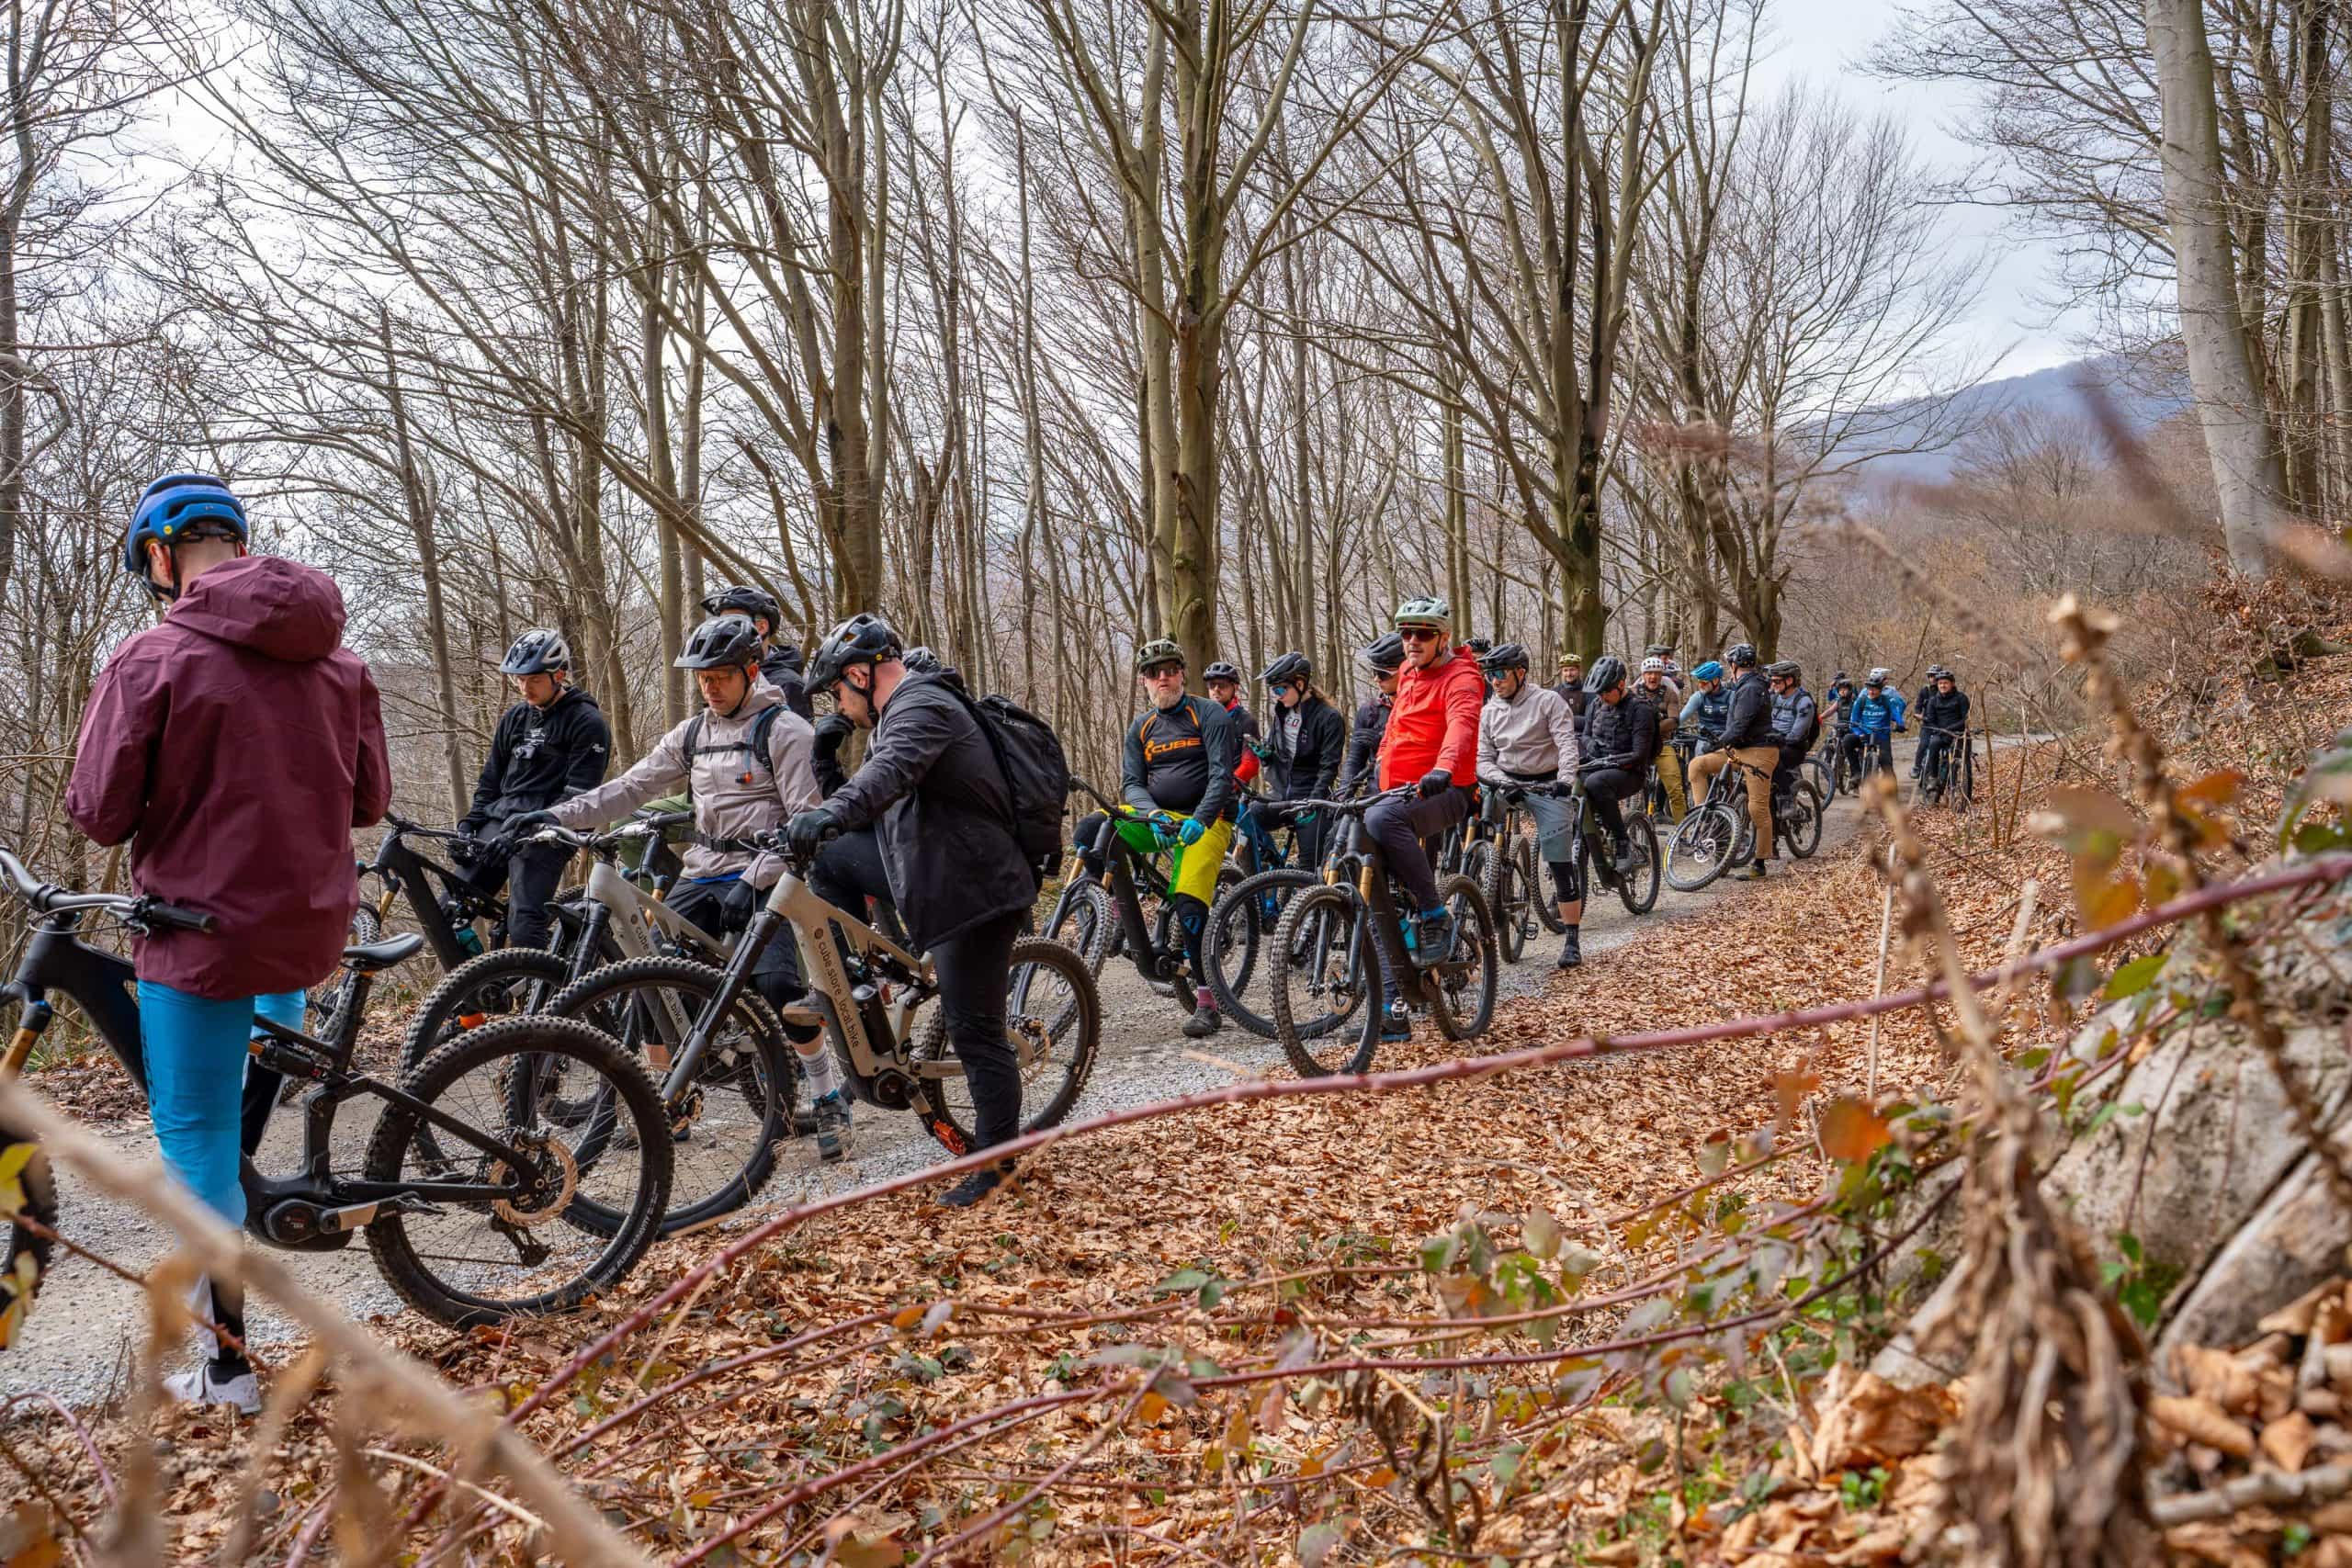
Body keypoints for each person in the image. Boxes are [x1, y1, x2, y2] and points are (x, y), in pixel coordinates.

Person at [67, 471, 392, 1413]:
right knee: (239, 1116)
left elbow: (97, 814)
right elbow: (367, 803)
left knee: (197, 1142)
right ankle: (262, 1186)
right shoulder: (343, 664)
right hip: (303, 939)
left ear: (162, 558)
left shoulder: (151, 658)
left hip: (201, 941)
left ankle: (229, 1370)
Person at [510, 613, 852, 1162]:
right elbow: (630, 786)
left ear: (750, 669)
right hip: (701, 870)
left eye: (719, 675)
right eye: (701, 677)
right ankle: (669, 1100)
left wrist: (756, 876)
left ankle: (827, 1094)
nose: (709, 687)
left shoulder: (786, 731)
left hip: (766, 874)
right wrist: (555, 815)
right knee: (646, 973)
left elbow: (804, 823)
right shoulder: (692, 733)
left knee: (779, 989)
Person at [786, 616, 1045, 1208]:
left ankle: (997, 1166)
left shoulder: (922, 706)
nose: (840, 704)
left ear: (861, 672)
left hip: (977, 890)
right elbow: (867, 813)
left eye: (839, 692)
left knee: (975, 1033)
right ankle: (868, 978)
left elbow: (887, 775)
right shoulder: (898, 716)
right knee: (831, 858)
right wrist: (827, 763)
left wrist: (833, 809)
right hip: (933, 874)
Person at [1069, 638, 1239, 1038]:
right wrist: (1153, 814)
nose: (1163, 678)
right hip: (1158, 818)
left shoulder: (1209, 714)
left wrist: (1200, 817)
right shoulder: (1141, 727)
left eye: (1170, 670)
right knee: (1093, 827)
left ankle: (1206, 1002)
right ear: (1144, 680)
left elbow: (1221, 776)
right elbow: (1132, 783)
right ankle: (1106, 910)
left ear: (1181, 673)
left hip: (1207, 819)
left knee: (1189, 905)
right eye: (1153, 673)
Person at [1368, 597, 1484, 1040]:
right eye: (1406, 633)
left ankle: (1437, 913)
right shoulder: (1410, 674)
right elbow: (1395, 732)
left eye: (1423, 633)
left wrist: (1445, 767)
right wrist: (1370, 771)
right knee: (1374, 887)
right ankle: (1391, 1009)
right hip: (1396, 793)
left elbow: (1461, 724)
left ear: (1443, 637)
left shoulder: (1463, 676)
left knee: (1380, 824)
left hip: (1447, 789)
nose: (1412, 642)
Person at [451, 630, 611, 950]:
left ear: (559, 675)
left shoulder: (587, 722)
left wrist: (523, 834)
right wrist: (468, 826)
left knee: (523, 926)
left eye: (534, 679)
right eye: (519, 680)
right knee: (446, 914)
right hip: (501, 821)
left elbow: (577, 798)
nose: (525, 688)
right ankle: (482, 993)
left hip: (551, 829)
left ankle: (558, 993)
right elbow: (490, 781)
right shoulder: (514, 718)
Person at [1474, 644, 1587, 968]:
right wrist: (1500, 780)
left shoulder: (1548, 701)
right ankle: (1482, 870)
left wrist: (1565, 780)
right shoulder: (1488, 710)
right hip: (1505, 780)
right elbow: (1483, 759)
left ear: (1520, 673)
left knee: (1560, 861)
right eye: (1489, 674)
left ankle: (1571, 938)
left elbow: (1567, 743)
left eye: (1499, 673)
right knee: (1475, 815)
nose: (1493, 680)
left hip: (1547, 782)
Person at [1686, 642, 1778, 881]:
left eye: (1730, 664)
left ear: (1735, 665)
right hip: (1739, 750)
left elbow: (1739, 726)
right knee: (1697, 765)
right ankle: (1703, 816)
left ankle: (1759, 863)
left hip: (1760, 751)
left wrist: (1718, 743)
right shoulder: (1741, 686)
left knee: (1757, 808)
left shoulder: (1751, 689)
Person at [1257, 651, 1347, 867]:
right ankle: (1269, 867)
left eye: (1280, 689)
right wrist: (1267, 756)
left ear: (1299, 683)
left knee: (1309, 866)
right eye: (1273, 691)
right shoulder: (1280, 713)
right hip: (1282, 794)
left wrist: (1313, 801)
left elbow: (1329, 767)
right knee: (1248, 816)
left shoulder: (1328, 717)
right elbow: (1279, 755)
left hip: (1311, 798)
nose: (1277, 695)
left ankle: (1309, 895)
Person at [1574, 657, 1657, 874]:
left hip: (1630, 772)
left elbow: (1640, 754)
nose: (1602, 697)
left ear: (1621, 684)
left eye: (1606, 692)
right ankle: (1584, 834)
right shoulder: (1596, 704)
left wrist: (1612, 760)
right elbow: (1586, 734)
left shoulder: (1641, 710)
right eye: (1599, 693)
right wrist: (1591, 746)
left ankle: (1622, 842)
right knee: (1570, 781)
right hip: (1599, 763)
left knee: (1595, 782)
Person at [700, 584, 814, 720]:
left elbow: (797, 738)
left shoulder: (787, 684)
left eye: (735, 623)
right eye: (722, 623)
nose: (726, 630)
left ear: (761, 627)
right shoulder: (714, 675)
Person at [1337, 633, 1404, 797]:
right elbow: (1355, 757)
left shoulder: (1424, 707)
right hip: (1375, 790)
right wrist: (1345, 789)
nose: (1376, 679)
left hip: (1410, 790)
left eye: (1383, 674)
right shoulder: (1369, 711)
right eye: (1374, 672)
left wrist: (1384, 742)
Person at [1636, 655, 1685, 819]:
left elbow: (1673, 720)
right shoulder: (1633, 693)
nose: (1653, 677)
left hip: (1663, 745)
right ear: (1643, 675)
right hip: (1637, 746)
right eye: (1649, 673)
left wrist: (1649, 729)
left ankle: (1682, 834)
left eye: (1657, 673)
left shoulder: (1670, 694)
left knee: (1676, 790)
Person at [1765, 660, 1818, 807]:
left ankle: (1786, 797)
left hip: (1794, 746)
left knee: (1773, 759)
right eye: (1771, 680)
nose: (1773, 684)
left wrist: (1781, 738)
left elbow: (1797, 734)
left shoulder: (1804, 702)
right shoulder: (1774, 697)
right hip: (1773, 741)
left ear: (1789, 680)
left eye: (1776, 681)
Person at [1914, 668, 1971, 795]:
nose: (1943, 685)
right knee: (1933, 745)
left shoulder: (1961, 698)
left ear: (1952, 684)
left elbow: (1966, 719)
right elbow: (1930, 719)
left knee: (1965, 758)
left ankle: (1966, 787)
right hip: (1940, 733)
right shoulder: (1933, 700)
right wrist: (1938, 730)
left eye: (1945, 683)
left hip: (1959, 734)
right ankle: (1933, 778)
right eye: (1940, 683)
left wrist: (1950, 729)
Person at [1847, 668, 1907, 782]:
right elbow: (1853, 721)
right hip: (1864, 734)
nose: (1872, 692)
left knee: (1887, 764)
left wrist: (1900, 724)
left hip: (1882, 735)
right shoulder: (1861, 701)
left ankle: (1892, 793)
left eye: (1875, 689)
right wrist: (1859, 733)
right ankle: (1856, 773)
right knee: (1847, 740)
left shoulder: (1887, 700)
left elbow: (1896, 713)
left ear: (1880, 690)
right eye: (1870, 689)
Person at [1679, 661, 1729, 753]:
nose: (1700, 686)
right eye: (1699, 682)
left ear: (1715, 680)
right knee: (1698, 760)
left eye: (1704, 682)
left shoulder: (1731, 695)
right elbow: (1681, 717)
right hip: (1705, 739)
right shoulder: (1698, 696)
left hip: (1726, 739)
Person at [1552, 652, 1589, 723]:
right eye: (1565, 670)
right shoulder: (1555, 692)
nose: (1569, 674)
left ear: (1578, 670)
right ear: (1562, 672)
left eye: (1572, 670)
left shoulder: (1587, 691)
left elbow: (1590, 721)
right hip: (1560, 732)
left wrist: (1564, 718)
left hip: (1582, 732)